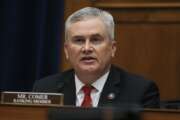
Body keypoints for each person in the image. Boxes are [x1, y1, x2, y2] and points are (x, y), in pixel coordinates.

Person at [33, 7, 160, 108]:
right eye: (79, 40)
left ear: (112, 48)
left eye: (95, 40)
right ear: (66, 50)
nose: (87, 48)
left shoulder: (140, 92)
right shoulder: (44, 89)